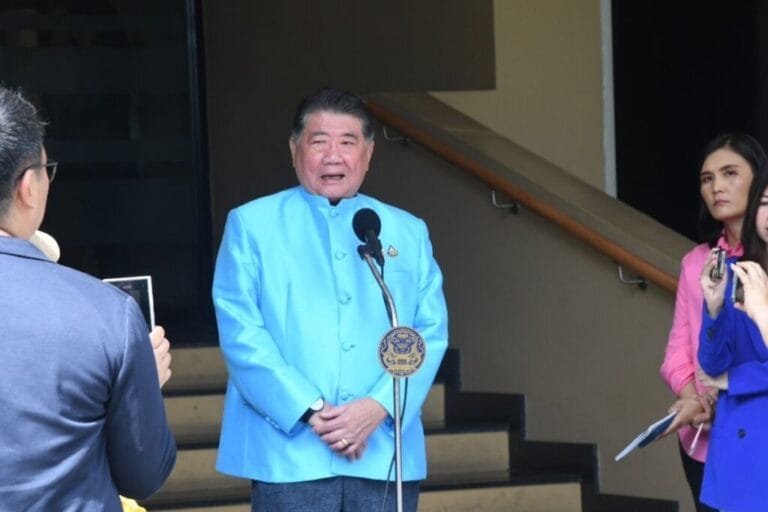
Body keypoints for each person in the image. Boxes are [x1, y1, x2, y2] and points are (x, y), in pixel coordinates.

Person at [212, 87, 449, 511]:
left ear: (369, 152)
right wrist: (313, 410)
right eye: (319, 142)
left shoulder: (407, 231)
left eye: (348, 142)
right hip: (288, 452)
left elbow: (428, 333)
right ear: (294, 149)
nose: (333, 156)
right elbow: (241, 332)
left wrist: (376, 407)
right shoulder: (252, 225)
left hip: (383, 452)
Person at [0, 86, 176, 510]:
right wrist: (140, 386)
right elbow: (144, 475)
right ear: (28, 187)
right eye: (47, 169)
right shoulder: (106, 314)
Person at [660, 133, 767, 511]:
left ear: (759, 181)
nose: (717, 187)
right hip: (704, 438)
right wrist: (694, 397)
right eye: (707, 179)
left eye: (729, 173)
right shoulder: (697, 263)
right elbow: (678, 349)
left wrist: (727, 386)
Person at [697, 161, 768, 512]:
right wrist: (712, 307)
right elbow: (711, 364)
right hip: (734, 454)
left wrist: (733, 380)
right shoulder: (738, 272)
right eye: (766, 202)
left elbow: (723, 375)